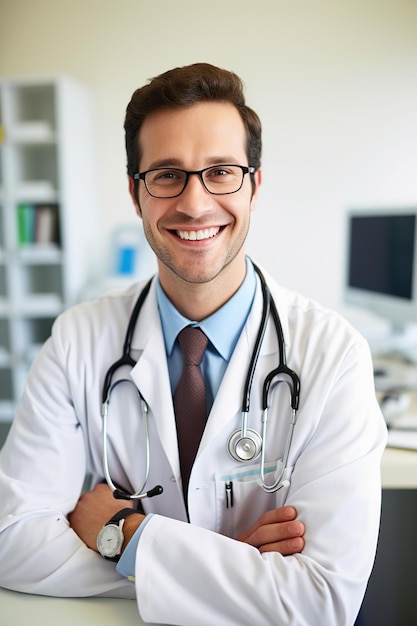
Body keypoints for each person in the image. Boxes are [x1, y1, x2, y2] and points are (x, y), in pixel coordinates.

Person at [0, 63, 386, 625]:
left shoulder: (334, 354)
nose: (195, 203)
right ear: (137, 195)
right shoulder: (78, 339)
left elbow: (320, 601)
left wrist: (123, 534)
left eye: (221, 172)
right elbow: (9, 536)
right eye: (166, 175)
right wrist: (236, 568)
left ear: (254, 185)